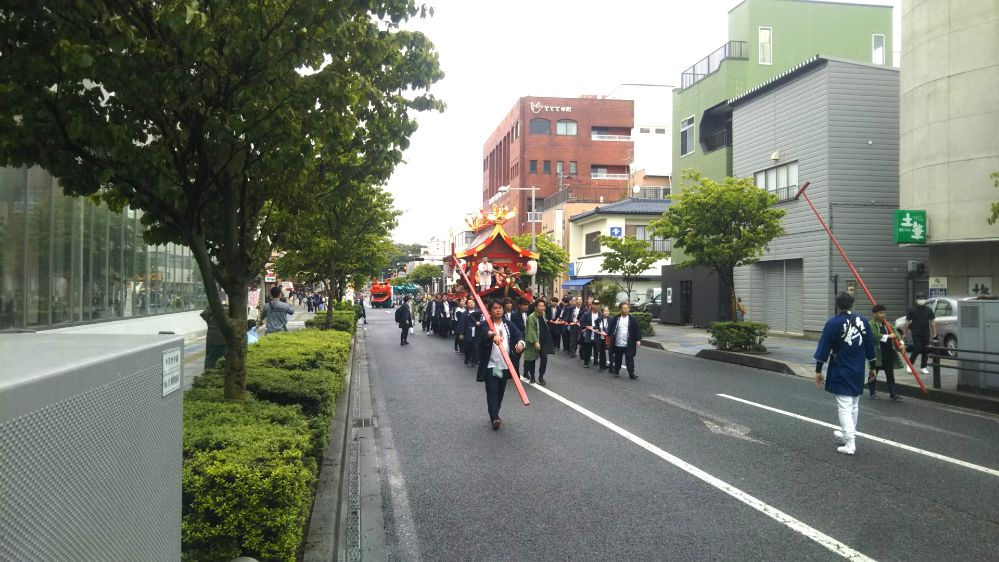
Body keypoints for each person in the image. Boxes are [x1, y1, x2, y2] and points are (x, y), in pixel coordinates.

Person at [814, 292, 876, 456]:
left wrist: (818, 370)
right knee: (853, 403)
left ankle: (850, 443)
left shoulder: (833, 323)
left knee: (844, 405)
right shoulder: (863, 321)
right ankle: (848, 433)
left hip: (842, 367)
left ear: (837, 306)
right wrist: (873, 367)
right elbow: (870, 345)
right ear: (852, 305)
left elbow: (823, 348)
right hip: (858, 367)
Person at [477, 299, 525, 429]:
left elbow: (519, 335)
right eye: (495, 308)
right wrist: (493, 335)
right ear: (490, 311)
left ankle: (495, 411)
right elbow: (484, 331)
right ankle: (495, 418)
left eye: (500, 308)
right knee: (492, 390)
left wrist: (521, 343)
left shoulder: (508, 324)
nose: (498, 310)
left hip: (504, 365)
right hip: (491, 365)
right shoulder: (485, 324)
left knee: (500, 392)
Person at [869, 304, 903, 401]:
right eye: (880, 313)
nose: (883, 315)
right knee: (873, 373)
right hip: (877, 353)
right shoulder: (871, 324)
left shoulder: (887, 324)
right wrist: (889, 336)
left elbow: (895, 333)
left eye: (884, 312)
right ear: (875, 314)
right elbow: (875, 336)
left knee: (890, 374)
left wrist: (901, 342)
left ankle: (893, 394)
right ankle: (872, 393)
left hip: (888, 352)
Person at [903, 293, 937, 375]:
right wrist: (904, 333)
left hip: (926, 333)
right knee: (917, 349)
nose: (921, 300)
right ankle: (910, 365)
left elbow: (932, 322)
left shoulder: (929, 310)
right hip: (916, 333)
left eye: (923, 298)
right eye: (919, 298)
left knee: (925, 350)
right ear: (916, 300)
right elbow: (907, 322)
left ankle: (923, 367)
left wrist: (934, 333)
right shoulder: (911, 310)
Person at [523, 299, 554, 385]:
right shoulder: (531, 317)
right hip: (533, 341)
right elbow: (531, 330)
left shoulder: (543, 314)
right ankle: (532, 376)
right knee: (532, 359)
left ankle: (541, 376)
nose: (542, 308)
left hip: (543, 340)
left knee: (544, 358)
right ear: (536, 307)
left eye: (543, 306)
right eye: (540, 306)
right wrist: (535, 341)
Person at [608, 302, 642, 379]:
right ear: (620, 309)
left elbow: (637, 330)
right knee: (618, 358)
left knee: (629, 358)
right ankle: (616, 371)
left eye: (627, 308)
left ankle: (631, 373)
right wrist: (608, 336)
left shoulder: (632, 319)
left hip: (628, 342)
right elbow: (611, 328)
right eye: (624, 308)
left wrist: (638, 340)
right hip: (618, 342)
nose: (626, 310)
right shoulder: (616, 318)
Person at [456, 298, 482, 367]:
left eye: (472, 302)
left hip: (476, 331)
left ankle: (474, 360)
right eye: (469, 303)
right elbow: (462, 323)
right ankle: (467, 358)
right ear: (467, 305)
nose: (471, 303)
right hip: (468, 332)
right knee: (467, 347)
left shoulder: (479, 312)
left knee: (475, 346)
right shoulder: (465, 313)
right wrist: (461, 333)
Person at [200, 305, 226, 369]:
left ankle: (209, 373)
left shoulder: (213, 306)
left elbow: (203, 314)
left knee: (210, 357)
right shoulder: (231, 307)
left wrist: (209, 322)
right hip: (224, 338)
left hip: (213, 336)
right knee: (223, 357)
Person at [578, 300, 602, 368]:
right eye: (595, 304)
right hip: (588, 334)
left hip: (597, 334)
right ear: (592, 305)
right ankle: (586, 362)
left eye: (598, 304)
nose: (596, 306)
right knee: (587, 349)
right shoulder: (587, 314)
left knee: (596, 349)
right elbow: (582, 322)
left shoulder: (600, 314)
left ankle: (595, 361)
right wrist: (587, 327)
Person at [510, 297, 530, 376]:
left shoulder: (529, 314)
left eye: (527, 305)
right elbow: (514, 329)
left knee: (528, 357)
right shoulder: (514, 315)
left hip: (528, 338)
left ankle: (526, 372)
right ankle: (515, 372)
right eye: (524, 305)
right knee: (517, 357)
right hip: (518, 339)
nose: (526, 307)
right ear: (519, 305)